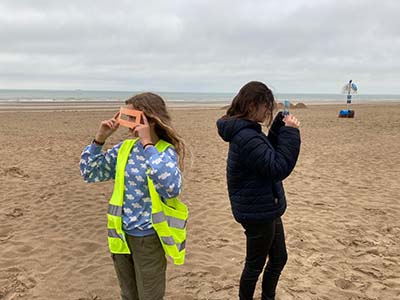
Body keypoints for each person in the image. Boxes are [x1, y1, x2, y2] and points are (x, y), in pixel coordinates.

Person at [80, 92, 186, 300]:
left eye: (131, 116)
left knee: (150, 296)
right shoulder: (125, 149)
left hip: (148, 238)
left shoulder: (164, 152)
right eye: (124, 115)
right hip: (120, 236)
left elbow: (172, 187)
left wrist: (148, 145)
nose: (127, 123)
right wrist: (99, 139)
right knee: (128, 295)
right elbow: (90, 172)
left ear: (149, 119)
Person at [216, 81, 301, 300]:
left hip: (264, 206)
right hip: (257, 211)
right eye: (265, 107)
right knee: (254, 266)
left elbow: (266, 155)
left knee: (279, 258)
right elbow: (277, 167)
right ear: (252, 105)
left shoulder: (248, 132)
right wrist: (291, 133)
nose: (267, 112)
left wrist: (278, 128)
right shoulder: (246, 137)